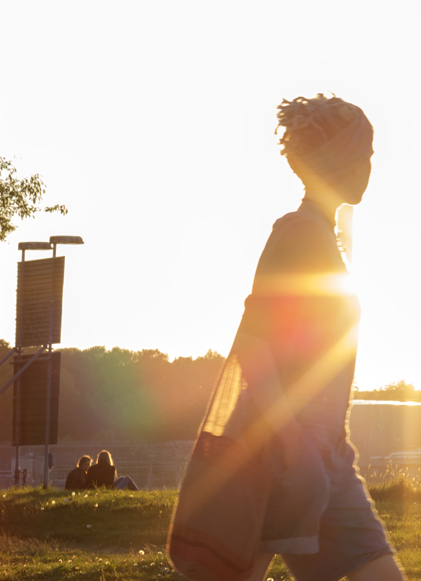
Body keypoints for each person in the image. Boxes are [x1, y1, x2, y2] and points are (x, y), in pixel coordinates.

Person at [169, 95, 404, 581]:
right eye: (365, 155)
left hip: (330, 454)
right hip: (284, 451)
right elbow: (255, 346)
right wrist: (291, 443)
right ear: (342, 161)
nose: (370, 167)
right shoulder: (297, 234)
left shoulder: (324, 236)